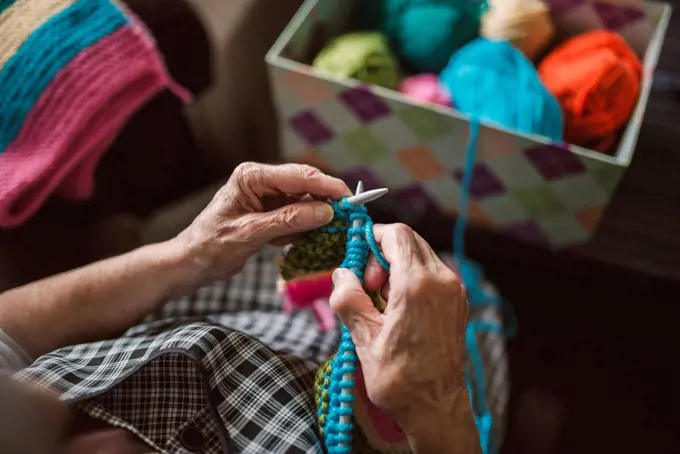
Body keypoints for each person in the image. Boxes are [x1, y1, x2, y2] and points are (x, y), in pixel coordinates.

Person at [0, 162, 480, 454]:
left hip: (247, 311)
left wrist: (190, 254)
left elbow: (7, 331)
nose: (50, 396)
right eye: (62, 447)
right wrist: (440, 415)